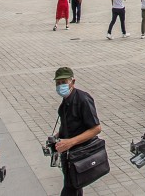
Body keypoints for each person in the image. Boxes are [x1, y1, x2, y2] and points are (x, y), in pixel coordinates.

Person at [53, 66, 102, 196]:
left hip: (79, 155)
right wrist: (58, 136)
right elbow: (68, 123)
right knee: (74, 187)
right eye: (58, 83)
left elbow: (96, 128)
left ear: (72, 82)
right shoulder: (66, 101)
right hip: (68, 156)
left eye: (63, 82)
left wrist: (70, 142)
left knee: (71, 188)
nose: (60, 86)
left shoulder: (83, 99)